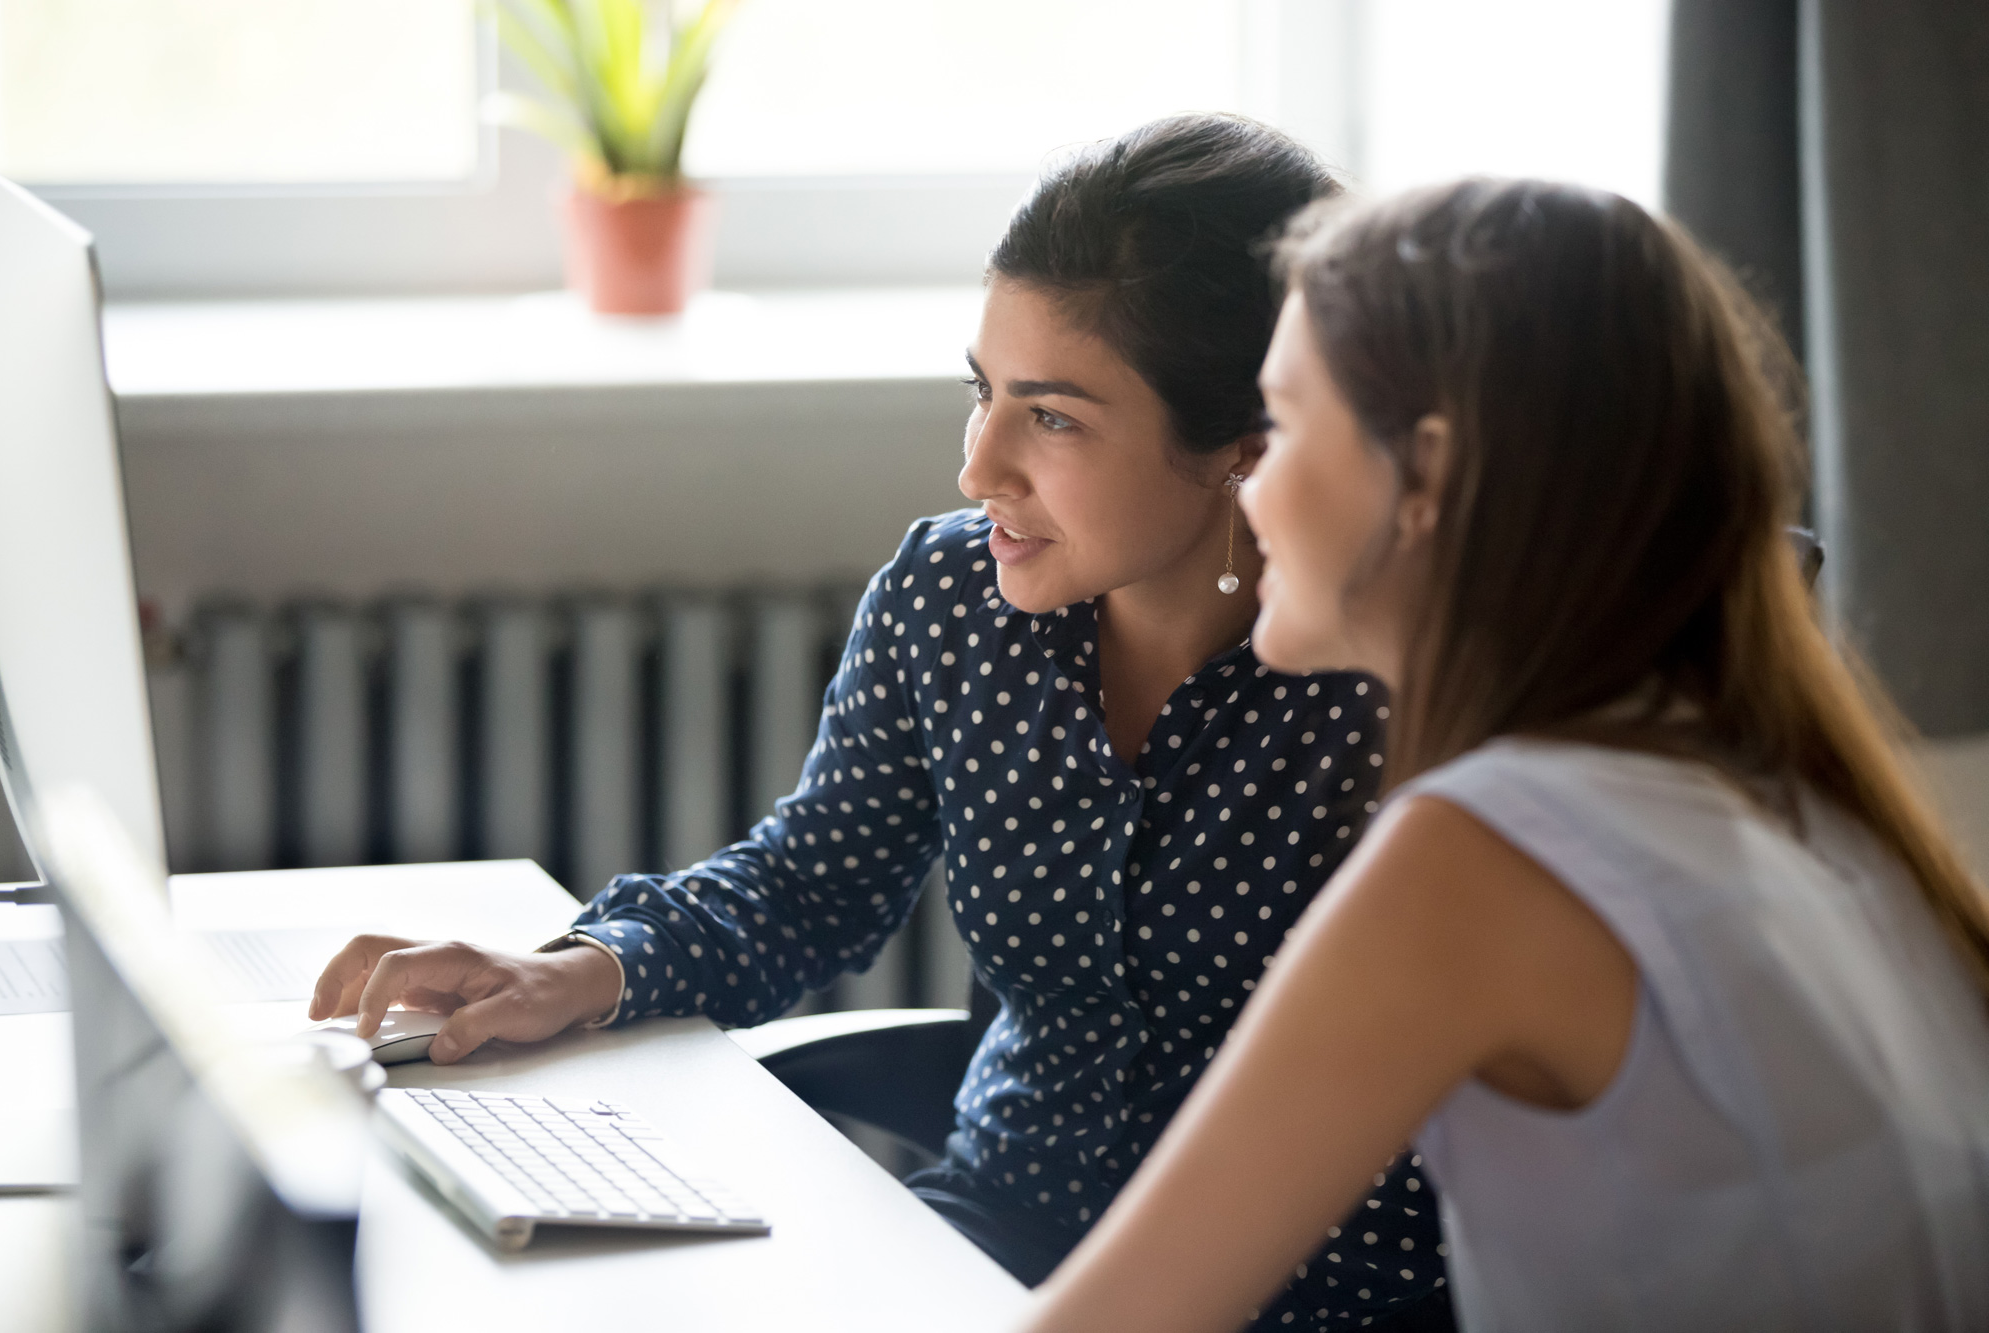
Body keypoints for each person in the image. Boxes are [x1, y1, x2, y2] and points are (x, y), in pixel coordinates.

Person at [308, 115, 1452, 1327]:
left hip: (1323, 1299)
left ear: (1242, 447)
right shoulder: (953, 599)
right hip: (993, 1237)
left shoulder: (1390, 678)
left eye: (1052, 418)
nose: (979, 466)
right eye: (982, 392)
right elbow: (810, 881)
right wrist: (580, 970)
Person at [1019, 177, 1989, 1333]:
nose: (1250, 482)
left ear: (1422, 476)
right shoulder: (1778, 799)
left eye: (1283, 424)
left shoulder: (1476, 862)